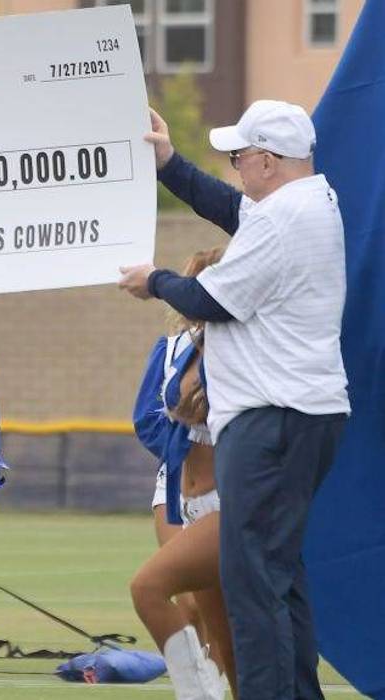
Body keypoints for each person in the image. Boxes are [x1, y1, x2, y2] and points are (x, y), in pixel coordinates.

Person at [119, 100, 349, 699]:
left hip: (271, 417)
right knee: (280, 573)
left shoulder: (279, 221)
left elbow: (210, 300)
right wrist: (169, 164)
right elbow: (232, 208)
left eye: (240, 156)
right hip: (306, 413)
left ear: (269, 162)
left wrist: (155, 281)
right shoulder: (311, 201)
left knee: (251, 580)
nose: (236, 167)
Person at [130, 248, 234, 700]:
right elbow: (150, 417)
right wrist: (179, 422)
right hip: (183, 499)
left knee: (149, 588)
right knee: (227, 646)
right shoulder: (181, 345)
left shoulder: (245, 347)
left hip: (226, 500)